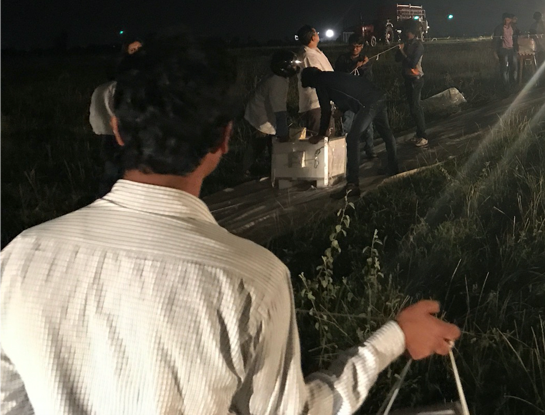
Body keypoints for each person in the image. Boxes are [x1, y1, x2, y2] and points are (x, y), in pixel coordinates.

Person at [0, 37, 460, 414]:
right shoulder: (251, 278)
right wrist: (392, 339)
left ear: (117, 131)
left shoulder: (21, 257)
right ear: (223, 139)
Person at [302, 68, 400, 195]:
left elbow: (325, 111)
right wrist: (341, 110)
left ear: (311, 81)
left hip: (368, 103)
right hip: (378, 96)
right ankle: (393, 167)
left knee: (352, 138)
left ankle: (352, 184)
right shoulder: (332, 76)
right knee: (386, 134)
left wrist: (320, 135)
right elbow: (347, 92)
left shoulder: (320, 83)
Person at [88, 37, 143, 197]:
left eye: (139, 49)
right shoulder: (114, 87)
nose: (137, 53)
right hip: (117, 134)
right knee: (114, 172)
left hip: (121, 132)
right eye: (133, 50)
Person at [243, 49, 299, 176]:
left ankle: (274, 168)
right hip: (260, 114)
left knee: (270, 142)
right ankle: (244, 170)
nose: (296, 66)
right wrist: (283, 133)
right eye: (293, 63)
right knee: (259, 142)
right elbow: (279, 111)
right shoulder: (276, 81)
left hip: (265, 112)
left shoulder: (280, 78)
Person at [335, 33, 377, 159]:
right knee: (346, 124)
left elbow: (369, 79)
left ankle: (370, 149)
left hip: (362, 98)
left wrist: (364, 67)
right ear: (349, 46)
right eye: (353, 46)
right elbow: (339, 77)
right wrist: (355, 67)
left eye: (358, 46)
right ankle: (344, 151)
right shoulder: (342, 59)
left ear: (362, 47)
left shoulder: (365, 60)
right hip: (348, 97)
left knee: (368, 125)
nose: (355, 49)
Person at [296, 24, 334, 136]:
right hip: (316, 103)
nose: (318, 34)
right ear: (313, 37)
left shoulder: (314, 52)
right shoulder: (308, 55)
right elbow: (319, 78)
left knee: (327, 138)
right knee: (320, 139)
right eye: (316, 32)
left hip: (322, 102)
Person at [396, 23, 429, 147]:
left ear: (413, 33)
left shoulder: (418, 46)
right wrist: (400, 50)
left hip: (416, 79)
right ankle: (418, 134)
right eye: (405, 31)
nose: (406, 34)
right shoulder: (407, 45)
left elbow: (412, 63)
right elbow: (397, 59)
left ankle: (423, 135)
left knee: (416, 107)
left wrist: (403, 52)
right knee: (412, 107)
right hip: (408, 79)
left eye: (408, 31)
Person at [492, 12, 519, 86]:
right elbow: (495, 40)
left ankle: (513, 83)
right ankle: (506, 85)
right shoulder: (499, 28)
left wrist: (517, 48)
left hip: (512, 49)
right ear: (504, 20)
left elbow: (517, 36)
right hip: (503, 50)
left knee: (514, 67)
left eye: (509, 19)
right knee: (504, 69)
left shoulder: (513, 27)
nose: (508, 21)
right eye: (507, 19)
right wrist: (494, 51)